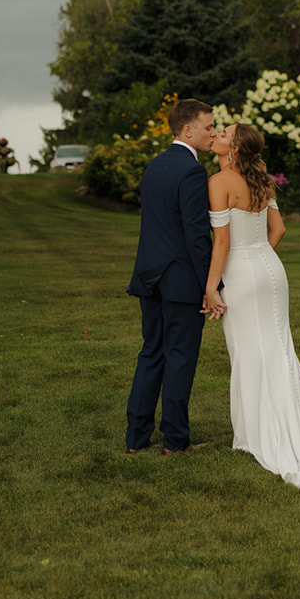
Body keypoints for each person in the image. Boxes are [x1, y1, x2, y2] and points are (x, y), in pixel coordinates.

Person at [204, 124, 300, 488]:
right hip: (271, 271)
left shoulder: (219, 183)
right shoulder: (262, 180)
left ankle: (256, 437)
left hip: (242, 274)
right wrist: (262, 258)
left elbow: (221, 243)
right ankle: (271, 430)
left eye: (224, 133)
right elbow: (278, 230)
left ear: (234, 149)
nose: (217, 134)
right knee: (278, 350)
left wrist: (210, 288)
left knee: (249, 353)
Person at [125, 98, 218, 456]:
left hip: (149, 276)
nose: (212, 133)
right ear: (188, 130)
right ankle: (176, 442)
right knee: (179, 358)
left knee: (151, 354)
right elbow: (197, 236)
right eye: (208, 127)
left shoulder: (155, 166)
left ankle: (136, 439)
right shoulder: (193, 171)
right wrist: (211, 286)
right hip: (180, 280)